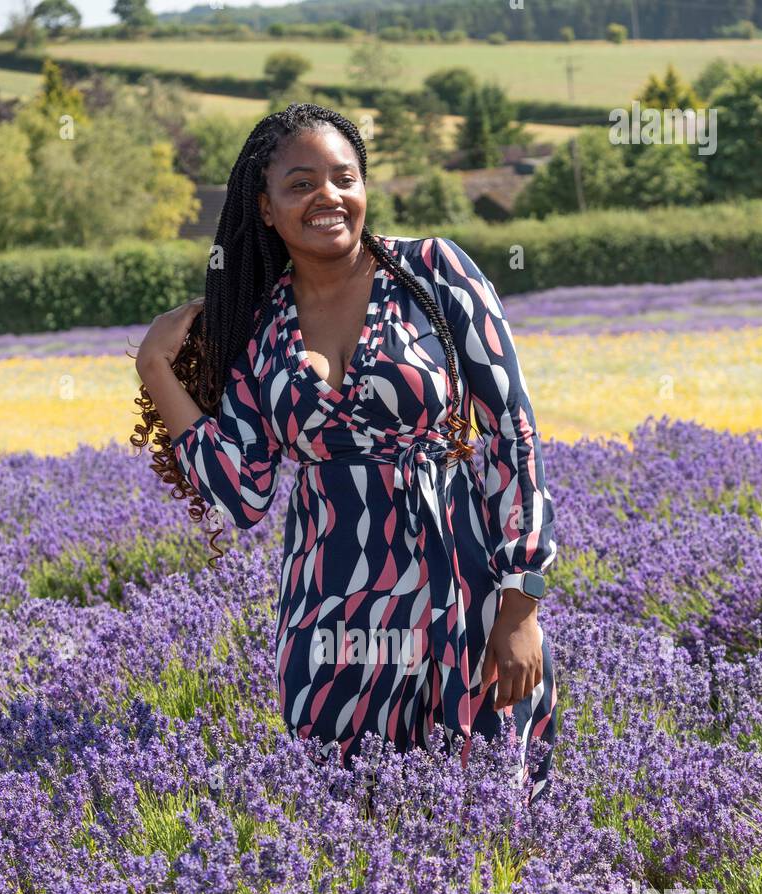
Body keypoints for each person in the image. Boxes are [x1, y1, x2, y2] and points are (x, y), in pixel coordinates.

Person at [133, 103, 558, 801]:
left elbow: (513, 436)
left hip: (460, 591)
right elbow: (238, 493)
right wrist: (156, 367)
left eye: (344, 177)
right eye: (300, 184)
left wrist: (521, 606)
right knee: (343, 816)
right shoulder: (260, 324)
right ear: (265, 209)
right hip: (327, 612)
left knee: (483, 810)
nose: (327, 196)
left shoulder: (433, 273)